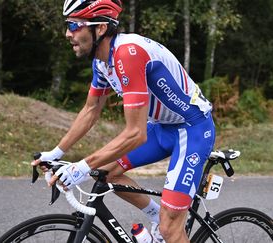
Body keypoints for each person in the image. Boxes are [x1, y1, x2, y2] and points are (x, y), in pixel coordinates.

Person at [31, 0, 215, 242]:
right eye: (68, 25)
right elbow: (91, 110)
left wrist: (80, 167)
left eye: (75, 25)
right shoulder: (102, 62)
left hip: (193, 128)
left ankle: (165, 227)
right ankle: (155, 217)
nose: (68, 33)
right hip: (163, 128)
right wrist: (55, 153)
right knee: (106, 174)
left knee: (172, 229)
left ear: (100, 29)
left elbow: (135, 134)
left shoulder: (128, 54)